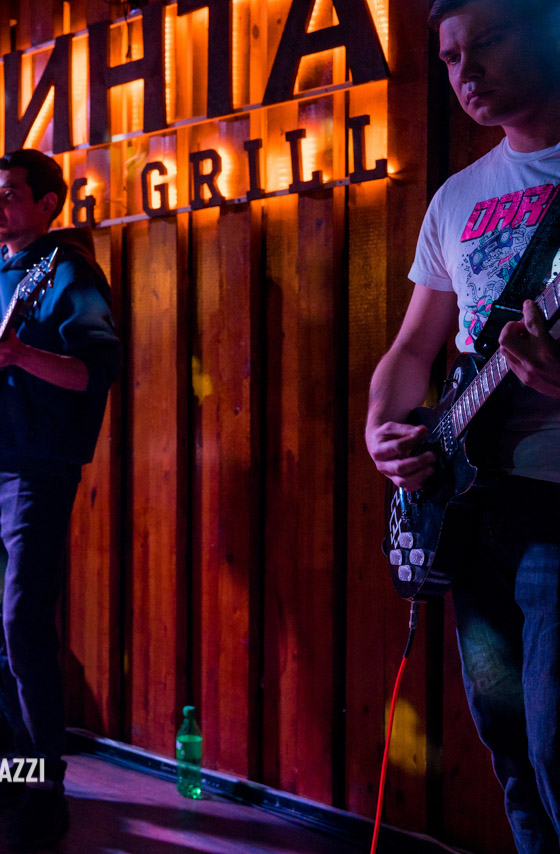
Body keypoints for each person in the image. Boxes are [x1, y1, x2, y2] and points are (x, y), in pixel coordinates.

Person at [365, 2, 560, 851]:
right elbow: (416, 346)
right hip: (473, 509)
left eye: (489, 42)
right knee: (510, 750)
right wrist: (383, 428)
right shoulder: (458, 197)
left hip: (556, 504)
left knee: (557, 747)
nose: (466, 72)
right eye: (449, 57)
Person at [0, 149, 119, 849]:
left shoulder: (67, 271)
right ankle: (22, 763)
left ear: (48, 204)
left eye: (10, 194)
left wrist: (22, 356)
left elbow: (96, 371)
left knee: (22, 622)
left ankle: (48, 788)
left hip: (39, 471)